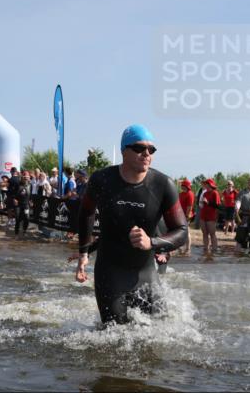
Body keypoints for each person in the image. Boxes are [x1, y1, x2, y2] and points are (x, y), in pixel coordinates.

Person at [76, 125, 188, 325]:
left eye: (151, 150)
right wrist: (84, 252)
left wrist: (151, 242)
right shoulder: (102, 179)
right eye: (139, 148)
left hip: (145, 271)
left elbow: (182, 232)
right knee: (114, 337)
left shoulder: (163, 184)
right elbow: (86, 212)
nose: (146, 154)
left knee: (162, 329)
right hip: (110, 271)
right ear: (123, 151)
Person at [199, 178, 220, 253]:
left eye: (206, 184)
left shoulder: (215, 193)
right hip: (203, 215)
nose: (205, 185)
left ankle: (214, 250)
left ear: (210, 184)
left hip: (211, 216)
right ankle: (206, 249)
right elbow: (203, 204)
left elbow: (217, 205)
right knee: (204, 233)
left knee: (212, 234)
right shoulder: (204, 193)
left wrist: (208, 202)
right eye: (204, 184)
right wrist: (203, 203)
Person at [178, 178, 194, 255]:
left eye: (182, 185)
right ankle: (180, 247)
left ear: (186, 186)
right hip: (180, 214)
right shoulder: (181, 194)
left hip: (187, 215)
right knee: (179, 231)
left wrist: (187, 216)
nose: (181, 186)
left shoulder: (190, 194)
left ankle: (188, 248)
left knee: (186, 231)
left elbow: (190, 206)